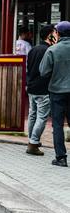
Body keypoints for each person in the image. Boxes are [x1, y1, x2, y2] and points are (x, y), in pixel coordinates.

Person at [39, 21, 70, 167]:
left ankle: (61, 157)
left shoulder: (53, 50)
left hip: (57, 92)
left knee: (57, 125)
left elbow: (43, 71)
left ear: (58, 33)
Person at [25, 25, 55, 156]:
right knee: (41, 117)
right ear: (50, 35)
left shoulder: (33, 49)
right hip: (43, 87)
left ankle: (31, 140)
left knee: (33, 114)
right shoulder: (49, 50)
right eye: (55, 32)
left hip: (31, 86)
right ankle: (33, 143)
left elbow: (28, 67)